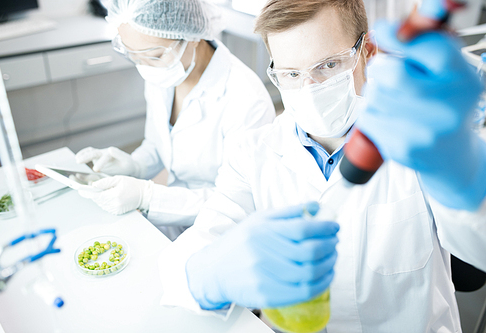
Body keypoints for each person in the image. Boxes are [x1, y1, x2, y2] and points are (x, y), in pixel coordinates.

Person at [157, 0, 486, 331]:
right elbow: (184, 264)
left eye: (328, 65)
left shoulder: (422, 143)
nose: (309, 88)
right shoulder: (251, 154)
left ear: (367, 51)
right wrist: (209, 275)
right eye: (290, 74)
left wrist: (463, 175)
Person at [75, 0, 276, 240]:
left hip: (222, 234)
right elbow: (158, 143)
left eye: (155, 55)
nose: (145, 68)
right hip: (172, 220)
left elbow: (236, 201)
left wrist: (148, 197)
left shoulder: (246, 100)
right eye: (134, 56)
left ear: (191, 36)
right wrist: (134, 165)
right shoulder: (164, 71)